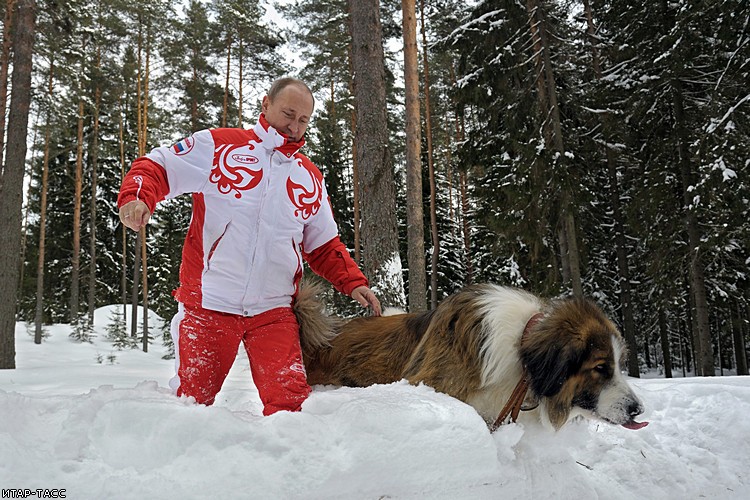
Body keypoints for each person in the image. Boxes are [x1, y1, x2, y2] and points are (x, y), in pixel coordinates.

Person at [118, 77, 381, 416]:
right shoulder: (219, 147)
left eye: (303, 120)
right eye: (288, 114)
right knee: (191, 406)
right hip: (209, 304)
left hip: (273, 312)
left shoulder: (309, 176)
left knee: (291, 408)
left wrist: (353, 282)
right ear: (265, 105)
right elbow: (158, 166)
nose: (294, 126)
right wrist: (137, 198)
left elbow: (323, 244)